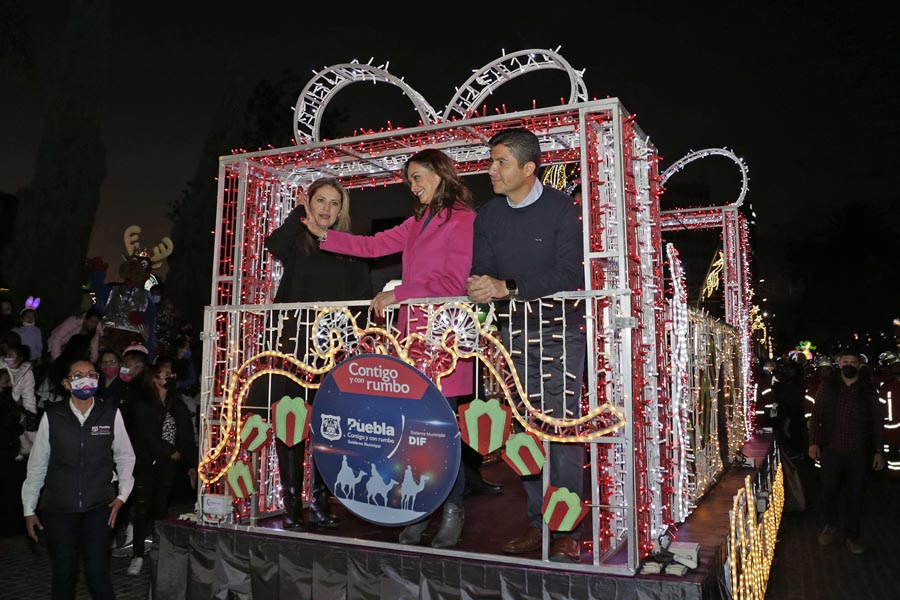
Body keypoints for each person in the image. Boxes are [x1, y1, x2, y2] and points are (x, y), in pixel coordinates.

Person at [301, 151, 476, 548]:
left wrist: (399, 292)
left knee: (443, 432)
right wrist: (322, 235)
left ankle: (453, 509)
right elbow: (373, 245)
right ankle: (423, 508)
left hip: (442, 343)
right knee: (414, 432)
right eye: (410, 181)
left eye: (417, 177)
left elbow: (455, 283)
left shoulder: (463, 220)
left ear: (438, 173)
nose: (413, 187)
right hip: (410, 343)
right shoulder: (417, 222)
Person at [466, 127, 587, 563]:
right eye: (491, 160)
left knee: (560, 431)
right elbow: (482, 268)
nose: (491, 170)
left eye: (501, 162)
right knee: (524, 436)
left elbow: (570, 275)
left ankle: (566, 528)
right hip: (512, 336)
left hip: (560, 333)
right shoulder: (489, 215)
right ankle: (538, 526)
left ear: (528, 167)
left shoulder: (561, 209)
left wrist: (508, 287)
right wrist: (479, 284)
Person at [263, 176, 372, 532]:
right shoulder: (296, 240)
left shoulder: (350, 246)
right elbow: (272, 244)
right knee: (290, 421)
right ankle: (292, 502)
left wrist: (353, 347)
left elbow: (361, 302)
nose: (326, 209)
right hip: (292, 344)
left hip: (333, 346)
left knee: (329, 424)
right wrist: (300, 214)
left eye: (333, 203)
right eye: (319, 201)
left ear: (342, 211)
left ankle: (322, 500)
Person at [21, 356, 135, 599]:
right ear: (66, 383)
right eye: (78, 375)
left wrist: (122, 496)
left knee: (98, 574)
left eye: (92, 374)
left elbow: (126, 456)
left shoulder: (110, 414)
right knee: (64, 575)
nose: (86, 379)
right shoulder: (53, 416)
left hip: (99, 506)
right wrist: (29, 508)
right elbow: (38, 464)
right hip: (59, 509)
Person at [808, 349, 885, 554]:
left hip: (858, 452)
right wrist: (813, 442)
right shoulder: (828, 387)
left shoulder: (868, 389)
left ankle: (852, 536)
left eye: (853, 361)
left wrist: (879, 451)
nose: (849, 364)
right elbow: (816, 416)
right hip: (831, 450)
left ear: (860, 365)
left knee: (856, 495)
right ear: (839, 364)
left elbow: (878, 421)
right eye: (846, 361)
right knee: (828, 490)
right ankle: (831, 524)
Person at [127, 357, 197, 575]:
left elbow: (185, 434)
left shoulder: (177, 404)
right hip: (146, 462)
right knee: (142, 508)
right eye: (165, 373)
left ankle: (160, 553)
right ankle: (137, 554)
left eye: (171, 373)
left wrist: (191, 462)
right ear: (155, 377)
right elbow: (144, 436)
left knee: (160, 508)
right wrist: (169, 451)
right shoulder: (144, 403)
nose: (169, 377)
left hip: (168, 465)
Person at [4, 343, 37, 461]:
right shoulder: (2, 367)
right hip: (5, 402)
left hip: (13, 403)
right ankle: (21, 447)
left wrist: (31, 410)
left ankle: (25, 447)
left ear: (20, 359)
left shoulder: (26, 372)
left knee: (25, 418)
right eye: (6, 355)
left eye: (11, 355)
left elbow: (28, 392)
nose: (7, 358)